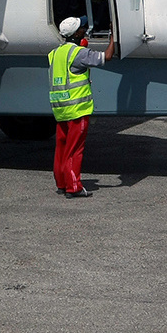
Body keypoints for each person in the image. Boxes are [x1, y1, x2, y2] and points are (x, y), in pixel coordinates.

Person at [47, 16, 115, 198]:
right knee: (75, 149)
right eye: (83, 28)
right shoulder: (79, 53)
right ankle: (73, 187)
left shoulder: (55, 53)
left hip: (61, 108)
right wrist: (113, 37)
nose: (85, 29)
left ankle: (61, 183)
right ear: (76, 33)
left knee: (61, 148)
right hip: (77, 109)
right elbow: (107, 56)